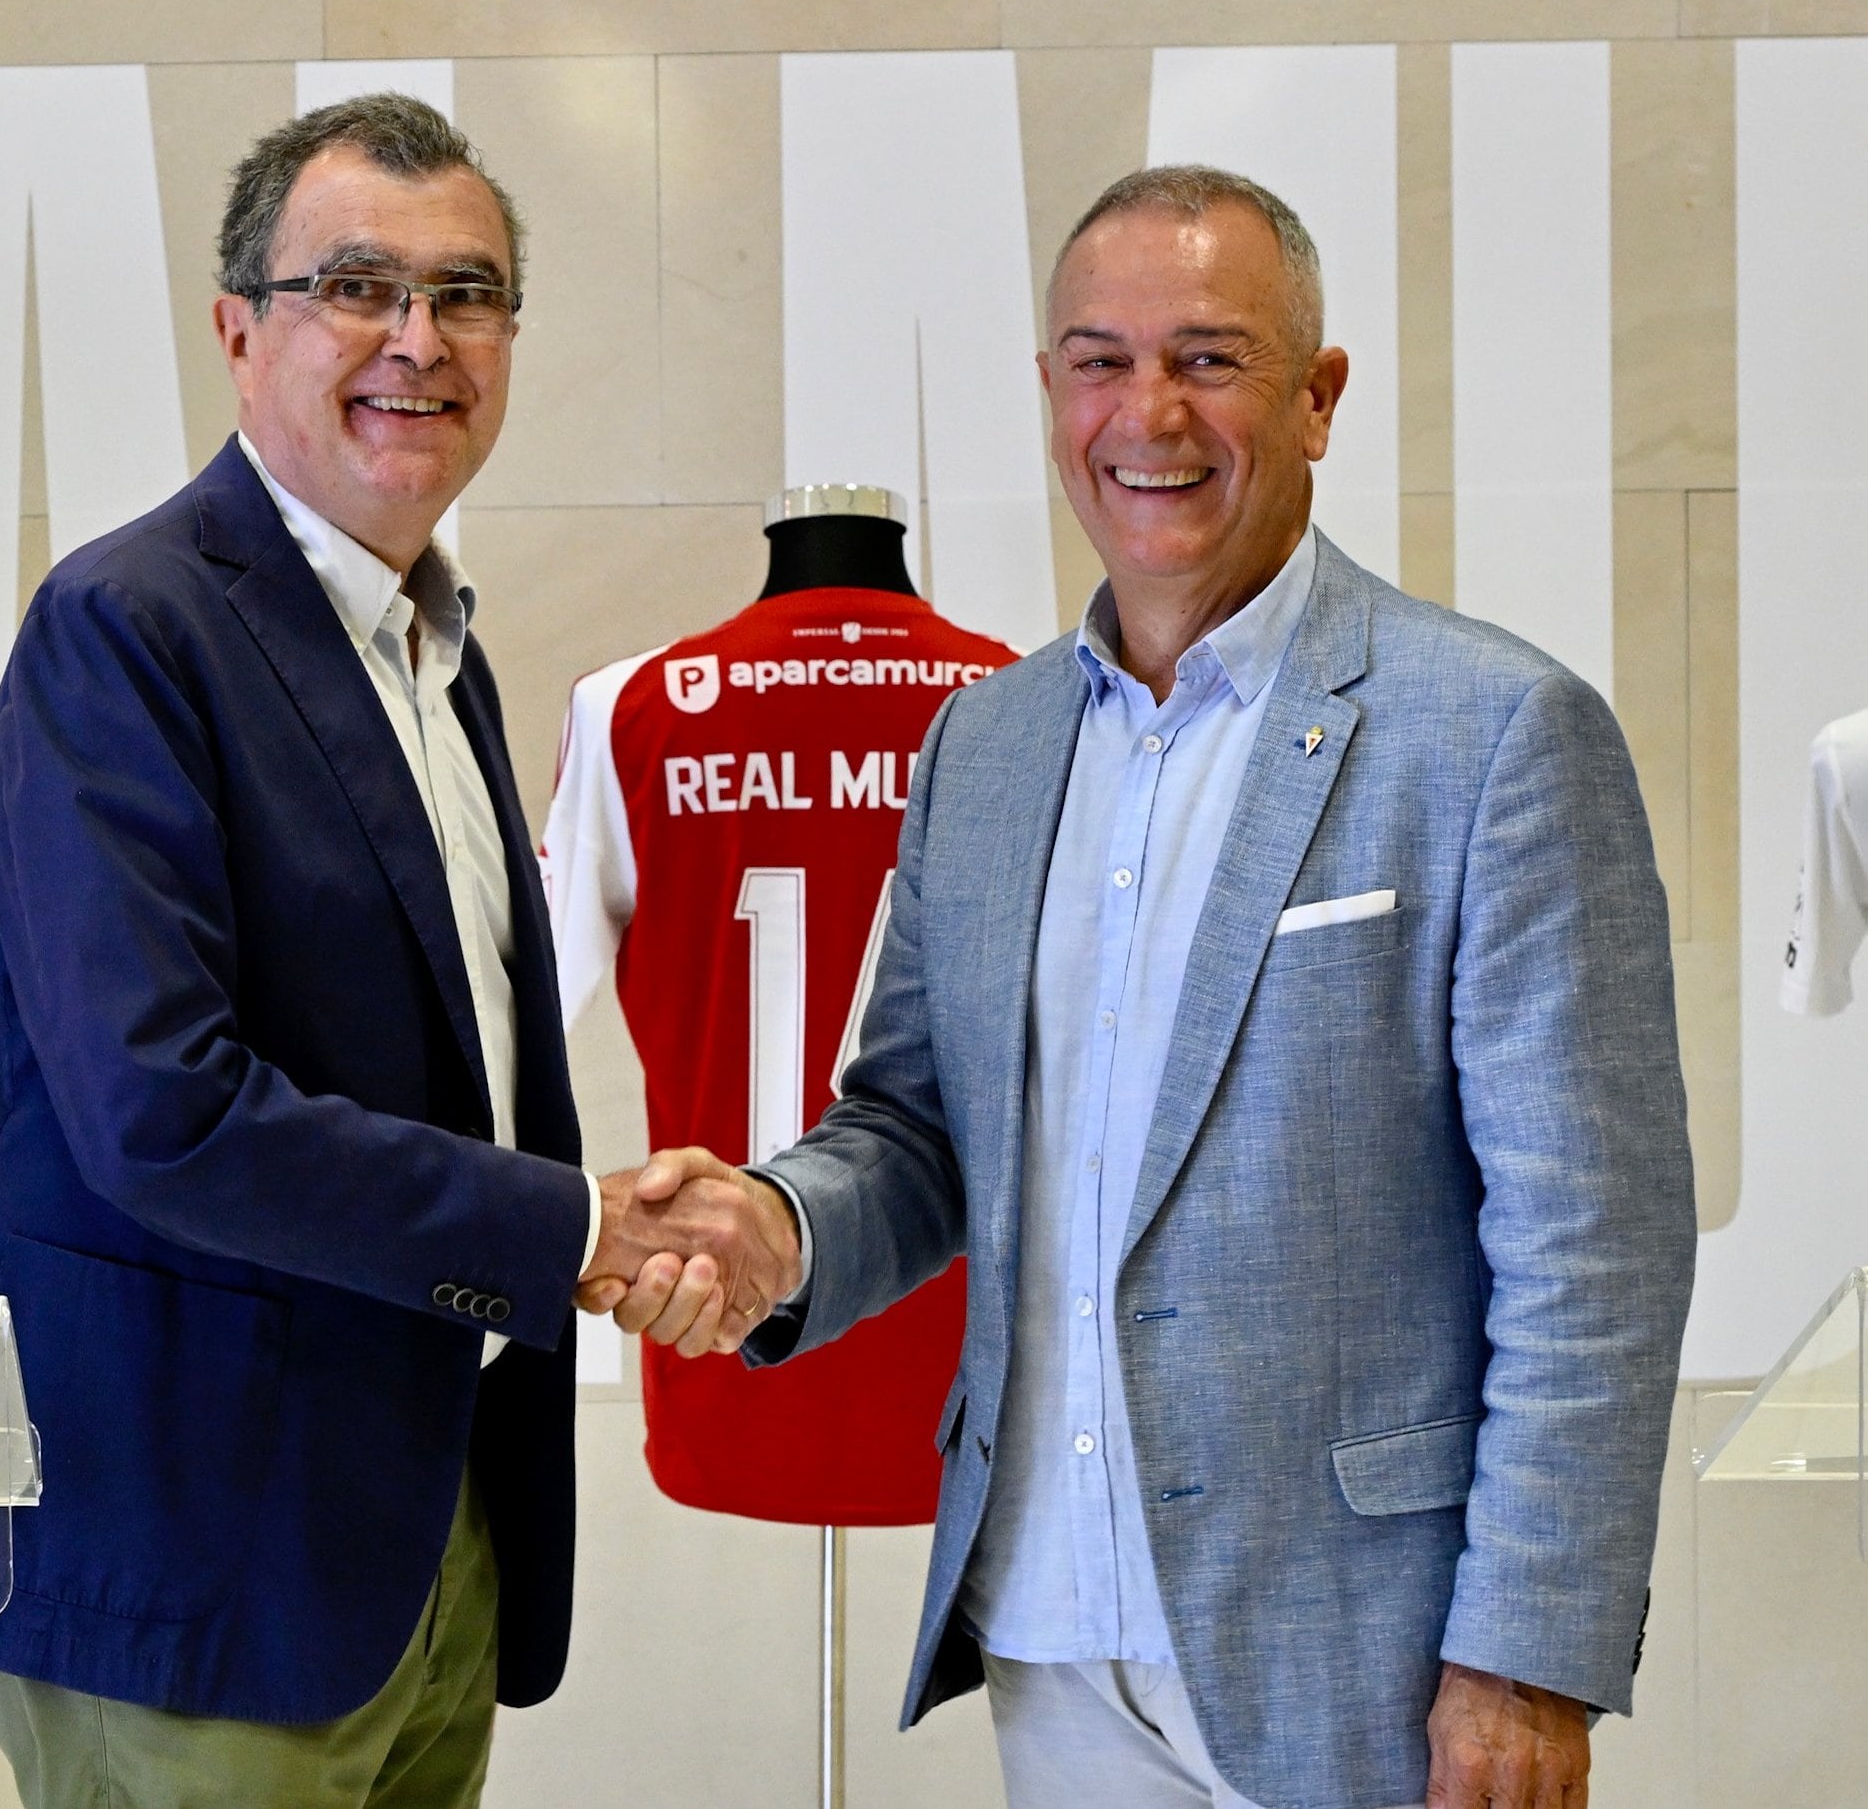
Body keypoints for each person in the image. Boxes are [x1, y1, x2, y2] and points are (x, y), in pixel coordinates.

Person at [592, 166, 1695, 1809]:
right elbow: (914, 1121)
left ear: (1317, 399)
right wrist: (783, 1222)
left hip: (1364, 1656)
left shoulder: (1495, 737)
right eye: (1098, 359)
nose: (1146, 412)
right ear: (1049, 395)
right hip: (1050, 1629)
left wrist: (1524, 1652)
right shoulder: (986, 739)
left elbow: (1590, 1244)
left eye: (1209, 356)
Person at [0, 93, 794, 1809]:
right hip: (198, 1552)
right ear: (238, 329)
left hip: (410, 1535)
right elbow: (165, 1111)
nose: (415, 340)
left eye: (466, 294)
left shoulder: (437, 648)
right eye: (354, 285)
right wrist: (583, 1226)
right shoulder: (126, 626)